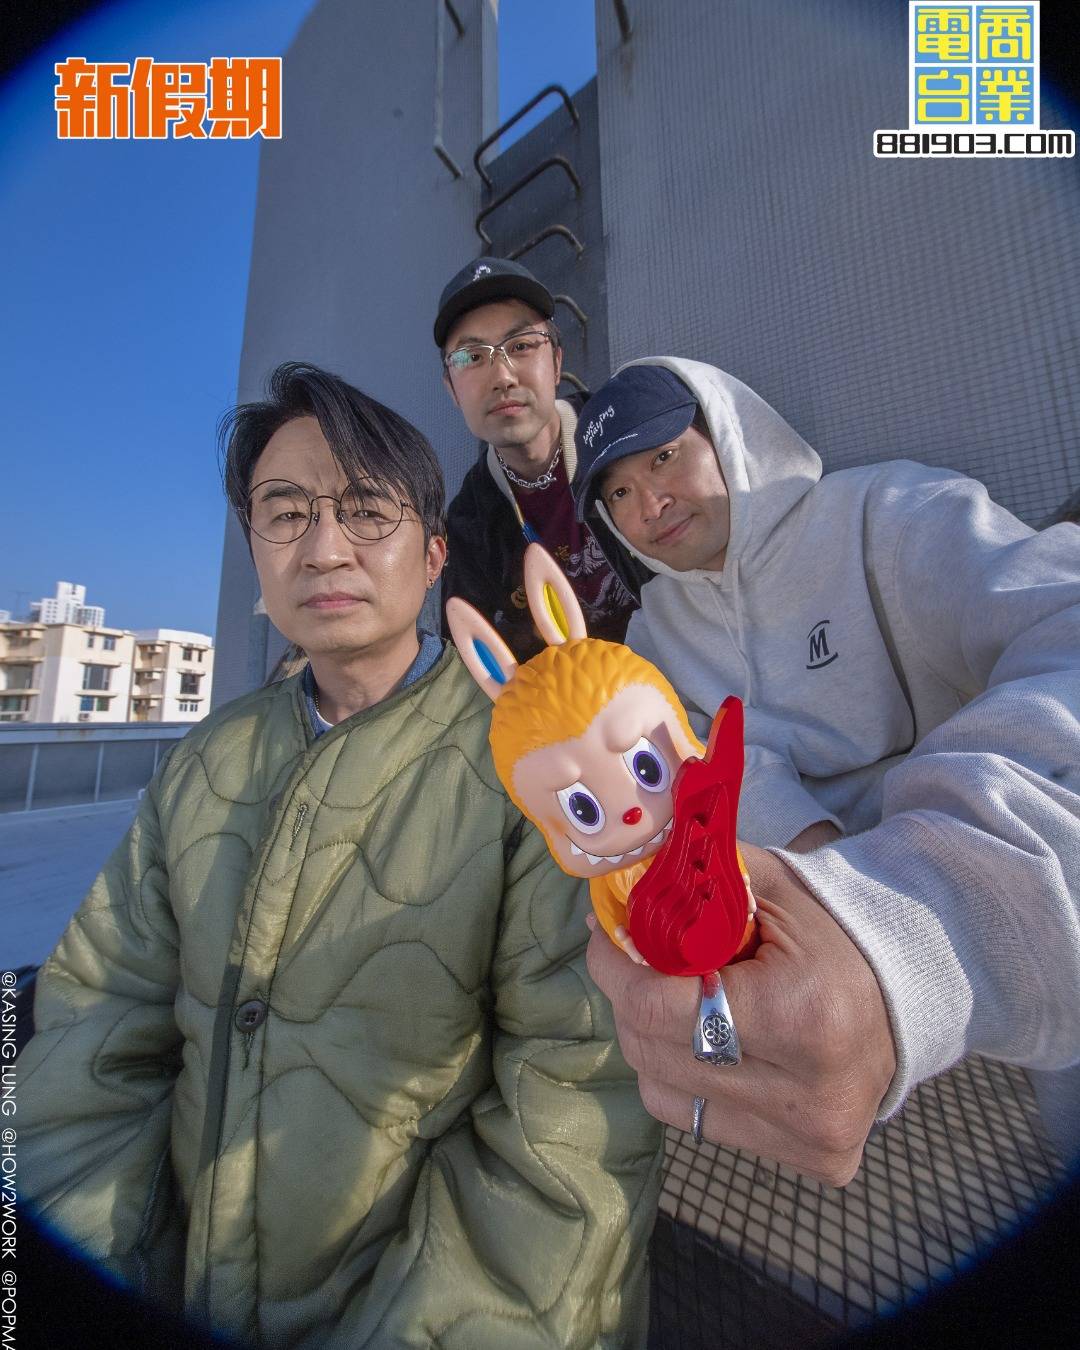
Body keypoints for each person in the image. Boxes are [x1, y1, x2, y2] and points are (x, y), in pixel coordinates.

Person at [18, 363, 662, 1348]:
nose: (323, 548)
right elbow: (94, 1030)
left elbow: (576, 1105)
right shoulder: (204, 762)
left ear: (435, 553)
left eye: (366, 510)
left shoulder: (538, 764)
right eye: (285, 512)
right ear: (254, 547)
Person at [568, 357, 1080, 1182]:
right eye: (618, 492)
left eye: (664, 456)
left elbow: (1064, 621)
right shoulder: (653, 635)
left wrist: (926, 907)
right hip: (804, 936)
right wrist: (815, 858)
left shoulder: (885, 514)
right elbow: (691, 760)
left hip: (1012, 882)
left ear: (727, 432)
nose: (649, 504)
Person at [434, 256, 646, 658]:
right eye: (471, 357)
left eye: (521, 346)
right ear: (451, 389)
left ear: (557, 361)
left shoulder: (627, 432)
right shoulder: (469, 526)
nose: (502, 377)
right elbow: (471, 657)